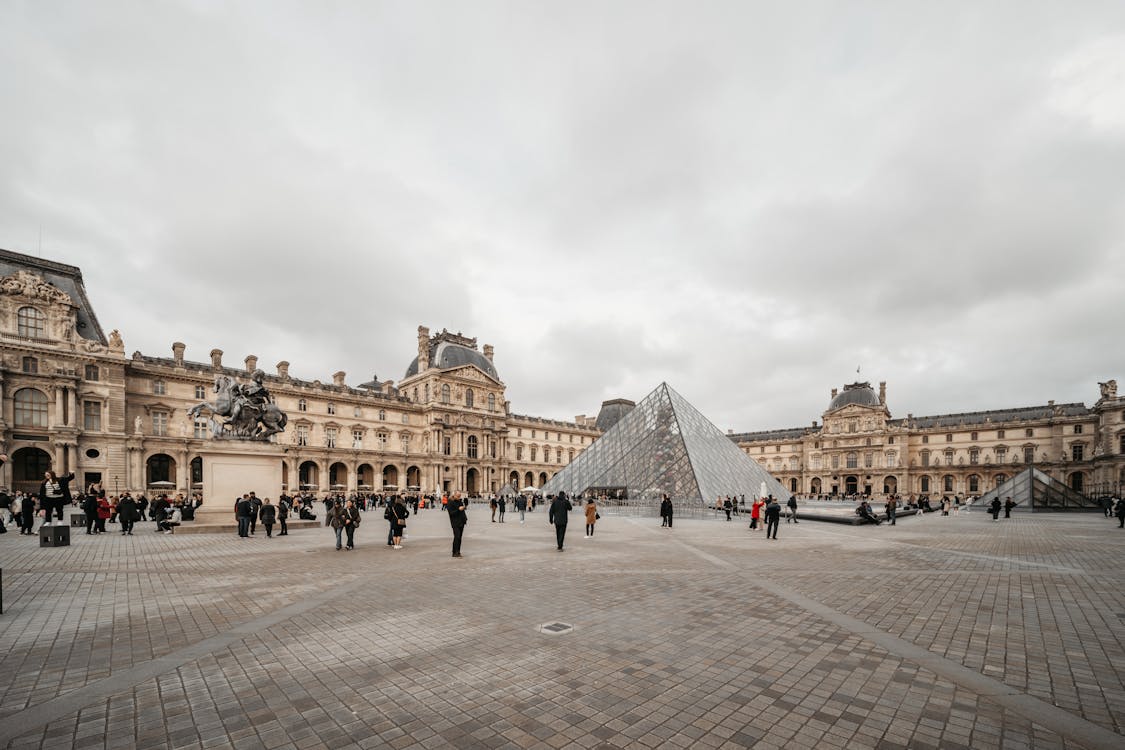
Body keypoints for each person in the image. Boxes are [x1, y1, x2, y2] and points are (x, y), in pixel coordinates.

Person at [446, 491, 468, 557]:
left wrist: (465, 518)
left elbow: (462, 511)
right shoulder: (450, 502)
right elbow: (451, 513)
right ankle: (454, 552)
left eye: (460, 496)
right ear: (454, 495)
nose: (459, 497)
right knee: (457, 537)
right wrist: (459, 509)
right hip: (455, 522)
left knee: (459, 538)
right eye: (458, 496)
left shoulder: (460, 501)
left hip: (461, 521)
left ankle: (458, 551)